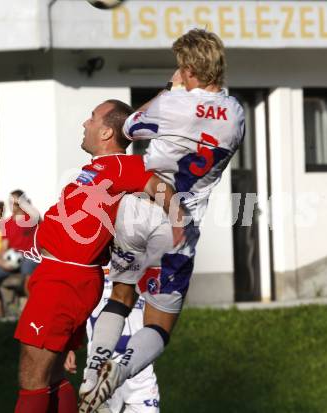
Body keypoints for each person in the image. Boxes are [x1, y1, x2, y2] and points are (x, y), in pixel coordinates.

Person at [78, 29, 245, 412]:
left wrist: (169, 91)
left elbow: (131, 127)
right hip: (181, 224)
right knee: (159, 324)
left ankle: (92, 373)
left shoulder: (173, 104)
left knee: (121, 296)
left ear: (187, 69)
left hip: (139, 210)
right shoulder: (235, 113)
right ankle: (117, 373)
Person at [13, 100, 183, 413]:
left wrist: (179, 225)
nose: (84, 124)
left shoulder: (122, 165)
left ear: (106, 132)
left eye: (91, 118)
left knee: (31, 377)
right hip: (62, 276)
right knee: (50, 376)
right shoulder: (99, 169)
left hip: (63, 280)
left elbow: (160, 189)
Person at [69, 193, 171, 413]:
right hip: (100, 362)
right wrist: (69, 343)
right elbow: (76, 300)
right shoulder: (92, 255)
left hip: (137, 363)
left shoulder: (154, 256)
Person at [0, 189, 39, 320]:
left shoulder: (31, 218)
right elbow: (4, 246)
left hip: (29, 257)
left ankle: (33, 312)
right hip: (11, 258)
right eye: (10, 202)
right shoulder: (6, 223)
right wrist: (0, 260)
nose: (12, 205)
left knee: (28, 269)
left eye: (15, 202)